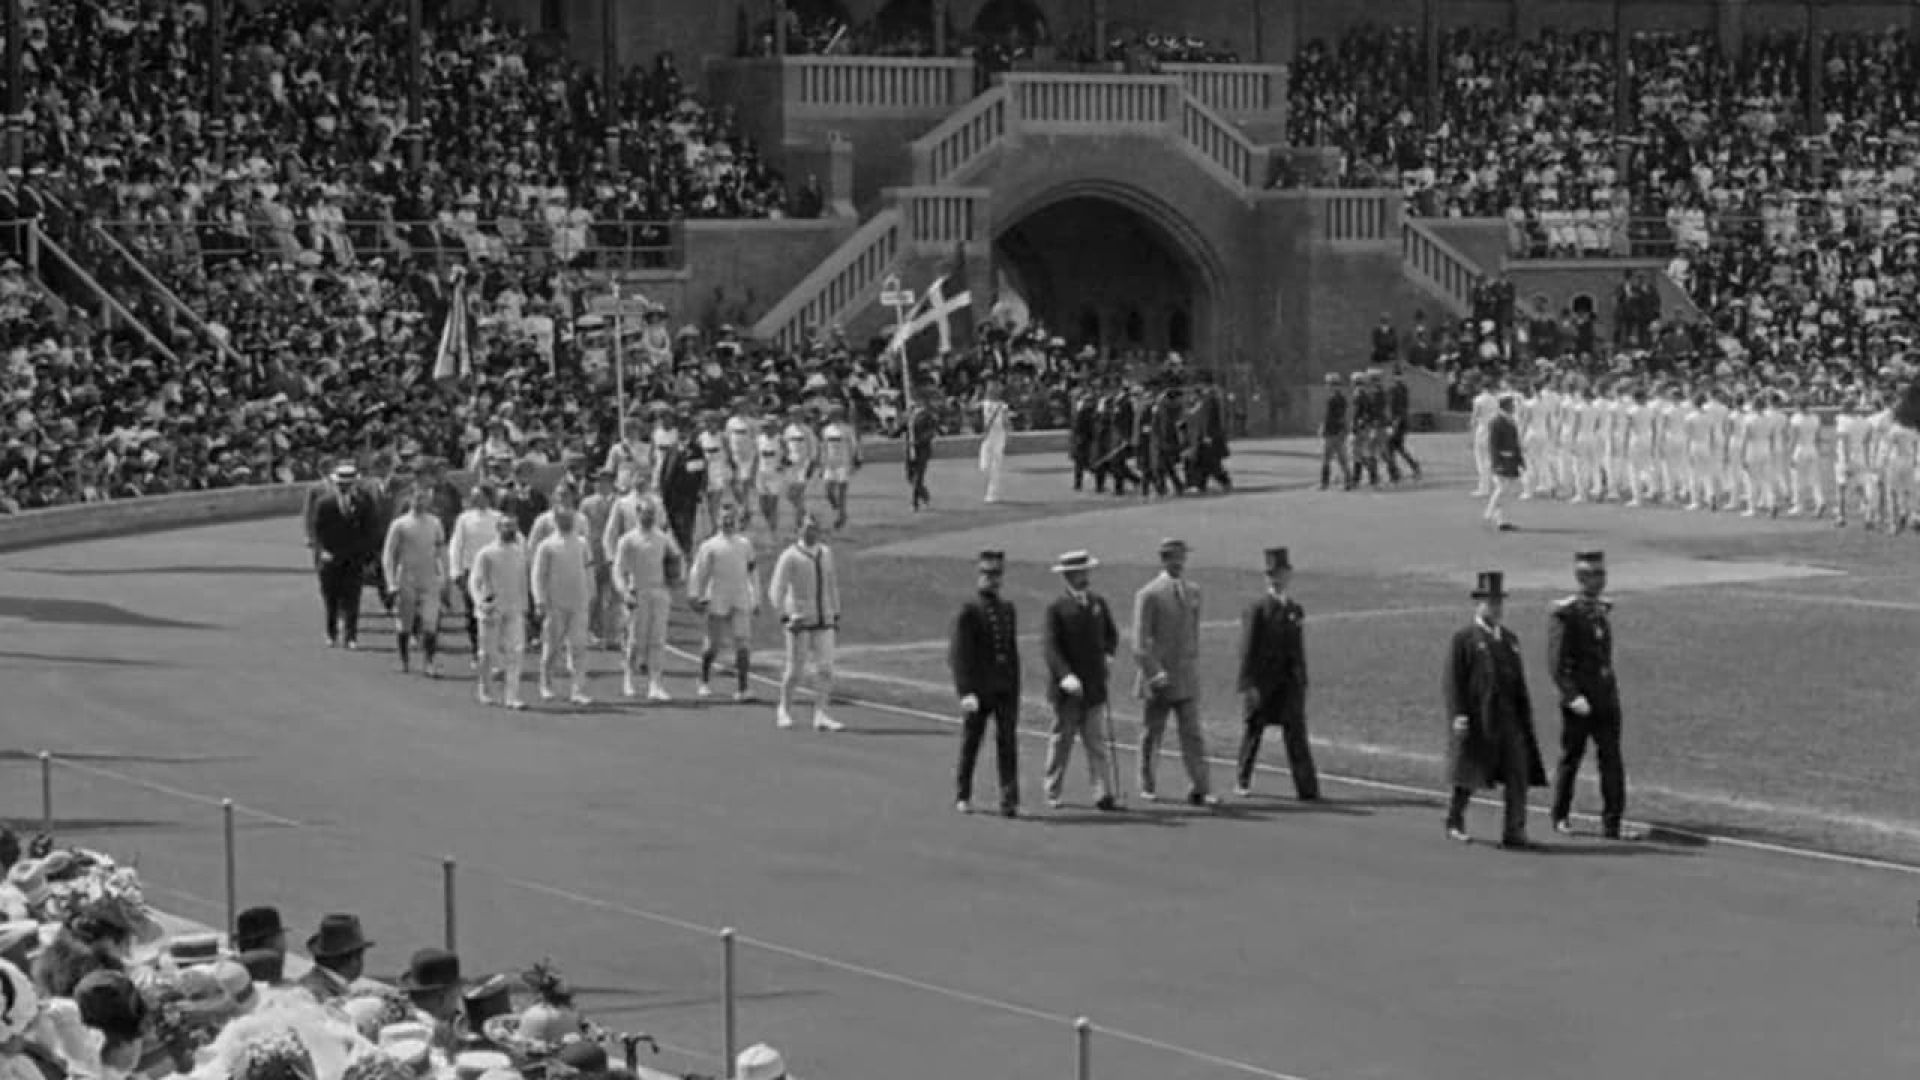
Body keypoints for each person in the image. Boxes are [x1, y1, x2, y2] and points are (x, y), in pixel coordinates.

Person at [1442, 571, 1547, 848]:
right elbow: (1453, 681)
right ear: (1479, 603)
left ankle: (1515, 830)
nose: (1496, 608)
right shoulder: (1464, 639)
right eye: (1490, 602)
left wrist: (1525, 720)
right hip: (1479, 718)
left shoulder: (1510, 640)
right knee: (1470, 772)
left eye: (1499, 602)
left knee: (1517, 773)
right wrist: (1459, 715)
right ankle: (1455, 818)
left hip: (1509, 718)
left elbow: (1518, 682)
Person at [1548, 551, 1636, 840]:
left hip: (1606, 697)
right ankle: (1560, 815)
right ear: (1581, 578)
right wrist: (1572, 696)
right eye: (1594, 574)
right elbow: (1557, 663)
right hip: (1580, 701)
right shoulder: (1567, 613)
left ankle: (1613, 821)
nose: (1601, 579)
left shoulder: (1601, 609)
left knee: (1611, 758)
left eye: (1602, 573)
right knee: (1571, 758)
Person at [1131, 538, 1218, 807]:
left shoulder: (1193, 591)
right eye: (1174, 557)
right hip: (1159, 678)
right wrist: (1153, 672)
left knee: (1192, 733)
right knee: (1152, 732)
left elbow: (1193, 634)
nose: (1180, 562)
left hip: (1186, 675)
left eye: (1182, 557)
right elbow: (1139, 642)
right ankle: (1146, 781)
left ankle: (1201, 787)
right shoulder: (1149, 594)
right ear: (1164, 559)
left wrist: (1193, 665)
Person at [1232, 547, 1317, 799]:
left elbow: (1298, 649)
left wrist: (1302, 679)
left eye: (1280, 573)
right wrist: (1249, 684)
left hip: (1288, 683)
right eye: (1271, 574)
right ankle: (1242, 779)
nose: (1276, 579)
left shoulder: (1294, 609)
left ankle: (1307, 788)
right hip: (1263, 682)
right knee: (1254, 731)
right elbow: (1247, 649)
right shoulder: (1258, 609)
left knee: (1296, 733)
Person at [1040, 550, 1120, 812]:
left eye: (1086, 572)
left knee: (1096, 742)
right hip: (1068, 691)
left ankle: (1103, 793)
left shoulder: (1098, 603)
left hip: (1095, 686)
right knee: (1062, 741)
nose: (1084, 577)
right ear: (1067, 576)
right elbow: (1051, 648)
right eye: (1078, 573)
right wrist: (1065, 676)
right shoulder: (1057, 608)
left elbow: (1111, 634)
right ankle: (1052, 789)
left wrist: (1108, 655)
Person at [949, 550, 1021, 817]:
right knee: (972, 741)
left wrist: (1015, 687)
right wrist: (965, 690)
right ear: (979, 575)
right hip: (979, 690)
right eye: (988, 574)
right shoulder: (970, 611)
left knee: (1007, 742)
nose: (992, 579)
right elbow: (960, 655)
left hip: (1004, 688)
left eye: (997, 574)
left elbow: (1011, 653)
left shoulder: (1007, 609)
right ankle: (963, 793)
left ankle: (1008, 797)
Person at [766, 513, 845, 731]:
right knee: (795, 670)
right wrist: (785, 615)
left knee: (826, 668)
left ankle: (821, 713)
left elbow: (832, 583)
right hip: (800, 620)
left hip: (824, 618)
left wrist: (835, 612)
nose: (812, 532)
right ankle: (784, 708)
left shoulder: (826, 553)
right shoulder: (790, 556)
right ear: (799, 529)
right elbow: (776, 589)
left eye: (815, 528)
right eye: (807, 528)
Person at [610, 500, 682, 701]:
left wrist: (675, 578)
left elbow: (676, 559)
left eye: (652, 513)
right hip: (638, 592)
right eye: (645, 513)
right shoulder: (628, 540)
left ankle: (656, 683)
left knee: (658, 639)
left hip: (659, 591)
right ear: (638, 514)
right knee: (636, 639)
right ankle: (629, 679)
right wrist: (624, 592)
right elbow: (618, 569)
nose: (649, 517)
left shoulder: (662, 538)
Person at [687, 503, 759, 701]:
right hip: (717, 596)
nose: (728, 522)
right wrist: (695, 595)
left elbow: (752, 573)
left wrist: (756, 599)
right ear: (718, 521)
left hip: (740, 596)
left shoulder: (745, 545)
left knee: (743, 642)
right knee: (713, 645)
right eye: (724, 519)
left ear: (736, 521)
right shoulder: (709, 546)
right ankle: (704, 680)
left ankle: (743, 687)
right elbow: (698, 572)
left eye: (731, 519)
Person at [531, 506, 596, 706]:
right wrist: (539, 600)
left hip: (578, 603)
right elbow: (538, 575)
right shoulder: (547, 546)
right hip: (555, 603)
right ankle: (546, 684)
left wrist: (591, 593)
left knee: (578, 646)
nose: (568, 522)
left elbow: (589, 570)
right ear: (556, 521)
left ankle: (578, 689)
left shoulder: (582, 544)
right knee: (552, 647)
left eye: (570, 518)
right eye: (563, 518)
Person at [381, 487, 448, 677]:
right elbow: (388, 554)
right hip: (406, 577)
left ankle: (429, 662)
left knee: (430, 621)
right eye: (417, 499)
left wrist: (446, 576)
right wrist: (391, 582)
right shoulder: (399, 524)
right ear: (411, 501)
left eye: (424, 499)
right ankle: (404, 660)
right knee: (405, 622)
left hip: (429, 577)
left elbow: (441, 551)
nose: (420, 503)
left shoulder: (435, 523)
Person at [469, 515, 531, 710]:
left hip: (513, 607)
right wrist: (480, 602)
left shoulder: (519, 553)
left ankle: (512, 696)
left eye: (513, 527)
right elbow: (474, 581)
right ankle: (485, 690)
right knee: (487, 653)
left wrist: (525, 606)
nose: (509, 530)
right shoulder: (486, 553)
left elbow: (522, 581)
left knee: (515, 651)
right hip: (491, 608)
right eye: (505, 527)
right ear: (498, 528)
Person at [310, 462, 373, 649]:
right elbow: (317, 530)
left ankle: (351, 636)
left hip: (353, 558)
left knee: (353, 597)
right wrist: (322, 552)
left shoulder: (363, 503)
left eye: (348, 484)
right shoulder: (324, 503)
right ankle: (331, 633)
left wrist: (366, 556)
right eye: (341, 484)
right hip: (331, 557)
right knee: (331, 598)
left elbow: (369, 530)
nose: (344, 487)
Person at [448, 486, 505, 666]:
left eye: (479, 496)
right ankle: (476, 651)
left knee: (494, 611)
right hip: (471, 570)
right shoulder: (464, 519)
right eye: (473, 497)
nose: (475, 500)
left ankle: (494, 651)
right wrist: (455, 570)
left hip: (494, 571)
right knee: (472, 612)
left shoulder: (497, 518)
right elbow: (457, 545)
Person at [656, 416, 708, 554]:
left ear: (691, 431)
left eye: (686, 430)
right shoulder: (672, 448)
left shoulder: (696, 449)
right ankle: (680, 550)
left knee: (685, 525)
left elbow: (700, 473)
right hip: (671, 495)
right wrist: (662, 488)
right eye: (680, 430)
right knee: (673, 526)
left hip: (687, 496)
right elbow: (664, 470)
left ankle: (687, 551)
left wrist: (700, 490)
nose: (683, 433)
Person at [1484, 394, 1523, 531]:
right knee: (1502, 488)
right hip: (1502, 459)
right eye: (1511, 404)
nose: (1513, 407)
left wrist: (1519, 459)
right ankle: (1490, 511)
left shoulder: (1510, 420)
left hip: (1511, 459)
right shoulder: (1496, 421)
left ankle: (1501, 520)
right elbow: (1493, 444)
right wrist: (1496, 462)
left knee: (1507, 490)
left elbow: (1515, 442)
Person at [818, 404, 860, 530]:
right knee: (828, 491)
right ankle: (839, 510)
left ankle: (841, 517)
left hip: (843, 463)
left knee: (841, 492)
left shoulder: (847, 429)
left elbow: (854, 446)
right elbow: (824, 448)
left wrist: (853, 461)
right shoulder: (826, 430)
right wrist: (822, 465)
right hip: (830, 464)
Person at [904, 392, 939, 511]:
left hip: (922, 449)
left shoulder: (928, 416)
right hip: (911, 449)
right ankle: (924, 495)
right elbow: (905, 428)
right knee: (910, 476)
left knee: (918, 476)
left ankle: (914, 503)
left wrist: (918, 441)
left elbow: (931, 432)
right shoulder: (911, 414)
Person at [979, 381, 1011, 503]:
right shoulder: (984, 404)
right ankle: (991, 489)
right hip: (988, 434)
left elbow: (1006, 421)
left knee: (996, 464)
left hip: (999, 434)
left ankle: (992, 494)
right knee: (984, 465)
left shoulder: (1003, 406)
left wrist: (1008, 431)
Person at [1319, 373, 1350, 490]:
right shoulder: (1342, 399)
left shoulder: (1332, 399)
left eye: (1329, 384)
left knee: (1327, 458)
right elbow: (1342, 416)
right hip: (1339, 431)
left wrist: (1324, 428)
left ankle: (1324, 483)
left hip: (1332, 432)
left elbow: (1329, 417)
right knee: (1342, 458)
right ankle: (1348, 481)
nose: (1327, 386)